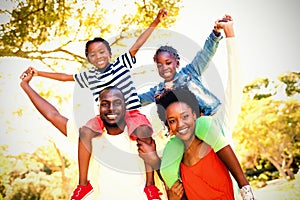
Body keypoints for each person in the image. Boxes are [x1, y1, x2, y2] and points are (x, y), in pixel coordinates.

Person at [26, 8, 168, 200]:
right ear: (89, 60)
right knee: (84, 132)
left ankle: (150, 186)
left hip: (132, 112)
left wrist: (156, 21)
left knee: (145, 136)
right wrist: (39, 73)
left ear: (109, 53)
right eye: (92, 55)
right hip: (105, 117)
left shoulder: (122, 64)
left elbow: (139, 43)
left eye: (102, 52)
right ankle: (83, 184)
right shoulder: (89, 76)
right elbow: (65, 77)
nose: (98, 56)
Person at [137, 14, 243, 189]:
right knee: (174, 169)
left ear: (176, 63)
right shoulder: (157, 91)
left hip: (211, 117)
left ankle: (240, 188)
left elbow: (206, 54)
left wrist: (216, 33)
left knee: (224, 157)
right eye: (160, 65)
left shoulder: (190, 73)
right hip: (186, 131)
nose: (164, 68)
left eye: (168, 62)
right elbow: (137, 100)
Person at [19, 70, 159, 199]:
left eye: (117, 103)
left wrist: (153, 158)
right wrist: (25, 86)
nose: (111, 108)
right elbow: (52, 115)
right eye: (105, 104)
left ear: (125, 107)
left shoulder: (140, 134)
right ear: (98, 108)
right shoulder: (91, 137)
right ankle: (83, 185)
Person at [154, 87, 255, 200]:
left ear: (194, 115)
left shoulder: (211, 141)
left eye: (185, 116)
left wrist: (247, 193)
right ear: (169, 126)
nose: (180, 124)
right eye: (172, 121)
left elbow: (242, 182)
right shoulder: (175, 159)